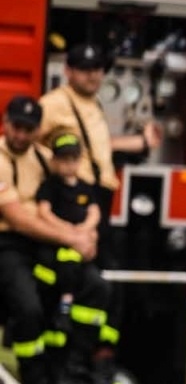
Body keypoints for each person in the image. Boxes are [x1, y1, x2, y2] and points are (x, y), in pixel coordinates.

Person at [0, 97, 105, 384]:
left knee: (95, 287)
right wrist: (72, 238)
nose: (21, 135)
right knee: (28, 307)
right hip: (8, 245)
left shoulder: (47, 158)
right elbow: (17, 219)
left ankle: (76, 374)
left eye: (29, 130)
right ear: (5, 122)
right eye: (17, 127)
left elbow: (78, 196)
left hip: (48, 243)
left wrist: (88, 233)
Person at [38, 43, 161, 254]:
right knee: (75, 266)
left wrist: (142, 142)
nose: (92, 76)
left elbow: (99, 146)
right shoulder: (53, 103)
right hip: (70, 195)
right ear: (68, 71)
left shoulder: (94, 101)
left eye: (97, 69)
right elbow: (30, 144)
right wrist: (58, 165)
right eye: (85, 69)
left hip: (98, 194)